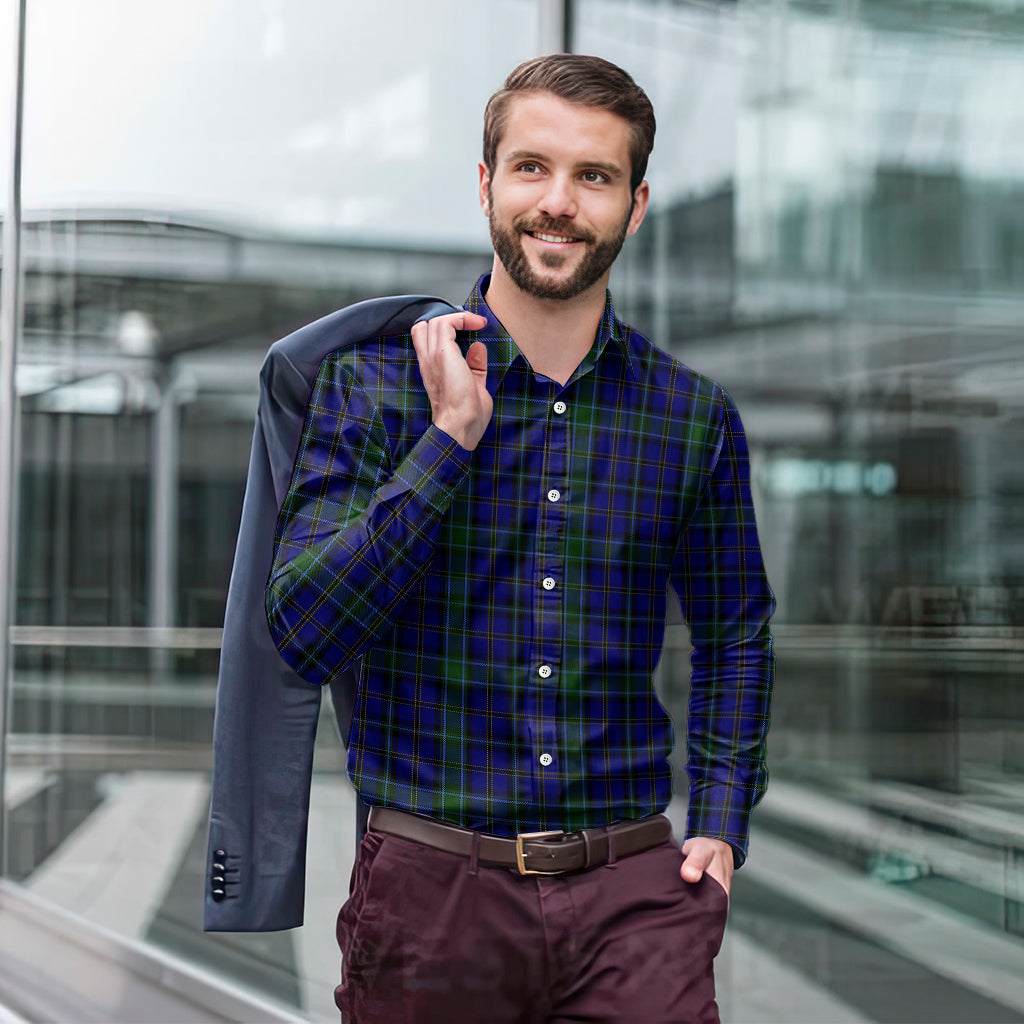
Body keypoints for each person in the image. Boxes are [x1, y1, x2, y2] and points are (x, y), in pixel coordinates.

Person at [265, 53, 775, 1024]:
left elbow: (735, 630)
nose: (559, 202)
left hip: (635, 897)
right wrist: (448, 442)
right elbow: (301, 631)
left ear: (636, 203)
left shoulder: (689, 416)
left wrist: (718, 818)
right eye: (533, 167)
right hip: (432, 896)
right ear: (487, 182)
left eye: (595, 176)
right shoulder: (374, 389)